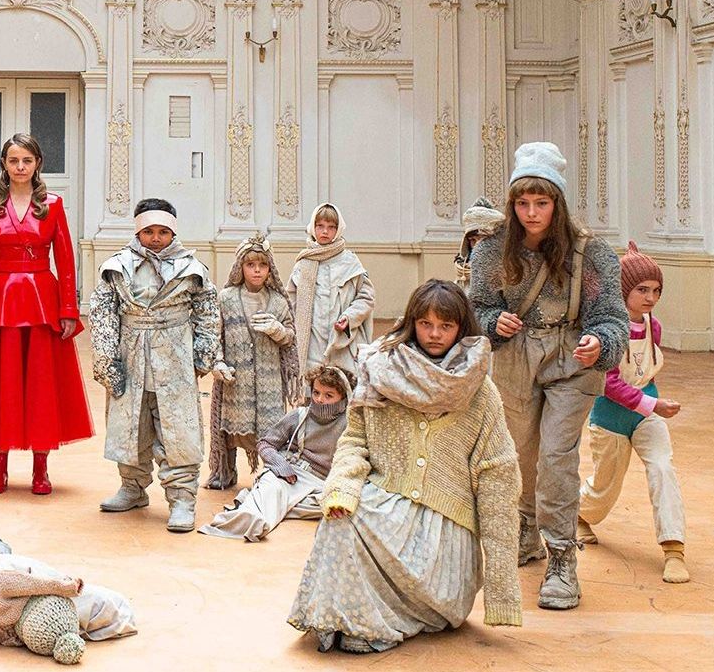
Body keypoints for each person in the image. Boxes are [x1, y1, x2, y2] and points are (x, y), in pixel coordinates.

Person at [287, 280, 523, 653]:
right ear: (411, 323)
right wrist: (343, 488)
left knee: (381, 546)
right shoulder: (379, 371)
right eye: (426, 323)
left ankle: (367, 623)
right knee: (339, 519)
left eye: (446, 326)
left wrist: (501, 589)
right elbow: (355, 440)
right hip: (386, 505)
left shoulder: (480, 391)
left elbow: (499, 481)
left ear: (461, 328)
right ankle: (343, 618)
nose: (434, 334)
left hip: (445, 529)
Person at [469, 141, 629, 610]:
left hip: (571, 360)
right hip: (515, 358)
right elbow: (475, 308)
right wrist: (492, 322)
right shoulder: (492, 250)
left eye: (541, 202)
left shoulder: (590, 254)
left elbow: (613, 318)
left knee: (557, 455)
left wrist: (600, 341)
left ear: (557, 202)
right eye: (523, 203)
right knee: (520, 450)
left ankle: (562, 556)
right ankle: (525, 526)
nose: (532, 213)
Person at [0, 133, 92, 496]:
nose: (20, 167)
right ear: (4, 164)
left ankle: (41, 469)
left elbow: (66, 260)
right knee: (0, 383)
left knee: (42, 384)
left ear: (37, 163)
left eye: (27, 160)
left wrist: (69, 309)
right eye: (14, 160)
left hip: (42, 300)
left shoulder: (53, 204)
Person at [89, 198, 220, 532]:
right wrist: (106, 357)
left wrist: (203, 351)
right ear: (138, 232)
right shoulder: (118, 266)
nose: (156, 238)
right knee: (131, 425)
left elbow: (207, 309)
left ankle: (182, 498)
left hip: (174, 357)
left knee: (177, 429)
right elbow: (103, 311)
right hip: (131, 356)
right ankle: (132, 487)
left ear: (173, 232)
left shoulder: (190, 268)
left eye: (163, 231)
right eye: (149, 232)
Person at [578, 242, 689, 584]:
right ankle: (579, 515)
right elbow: (609, 383)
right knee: (606, 486)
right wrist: (653, 404)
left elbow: (645, 371)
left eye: (656, 290)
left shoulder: (655, 327)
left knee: (662, 468)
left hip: (647, 415)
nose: (650, 297)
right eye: (642, 290)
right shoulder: (607, 331)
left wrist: (651, 405)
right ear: (623, 289)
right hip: (610, 418)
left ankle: (674, 548)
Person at [0, 538, 138, 664]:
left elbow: (3, 581)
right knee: (15, 565)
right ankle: (2, 552)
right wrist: (62, 587)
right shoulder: (48, 631)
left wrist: (58, 586)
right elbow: (113, 607)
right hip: (15, 578)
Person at [200, 365, 351, 541]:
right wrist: (280, 465)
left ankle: (262, 501)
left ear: (344, 397)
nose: (319, 400)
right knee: (273, 487)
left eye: (328, 395)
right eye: (316, 393)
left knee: (337, 505)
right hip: (290, 474)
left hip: (322, 484)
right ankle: (251, 519)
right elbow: (266, 443)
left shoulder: (350, 424)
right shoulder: (300, 415)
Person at [207, 232, 298, 490]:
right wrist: (217, 363)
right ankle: (225, 470)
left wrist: (277, 330)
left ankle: (272, 473)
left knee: (271, 430)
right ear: (240, 267)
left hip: (270, 383)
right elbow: (215, 336)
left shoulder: (279, 301)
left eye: (262, 265)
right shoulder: (226, 298)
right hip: (236, 382)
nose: (257, 270)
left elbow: (290, 338)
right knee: (229, 429)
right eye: (250, 264)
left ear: (270, 269)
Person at [285, 202, 376, 379]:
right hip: (311, 344)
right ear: (313, 227)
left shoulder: (350, 262)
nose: (325, 231)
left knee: (343, 386)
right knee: (312, 387)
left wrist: (349, 318)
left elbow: (367, 297)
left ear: (338, 229)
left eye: (331, 227)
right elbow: (290, 304)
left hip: (342, 343)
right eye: (320, 226)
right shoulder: (303, 264)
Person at [454, 198, 503, 287]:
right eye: (473, 240)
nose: (477, 245)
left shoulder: (508, 269)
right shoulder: (462, 273)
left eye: (483, 239)